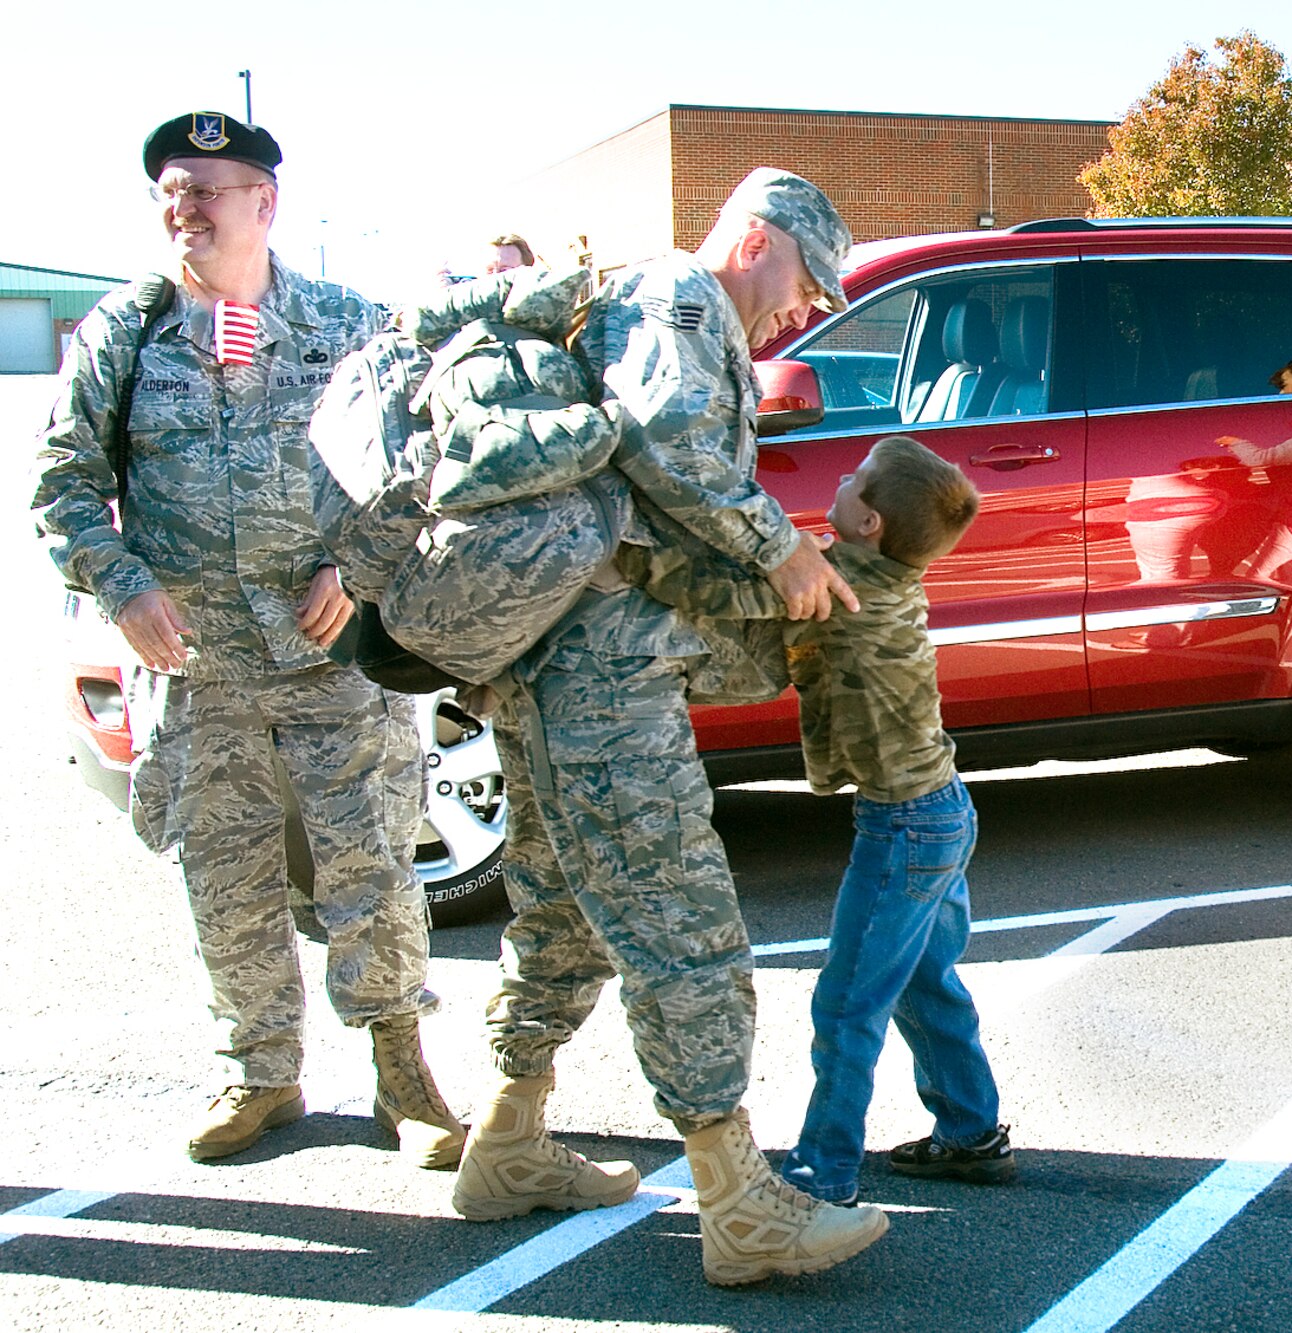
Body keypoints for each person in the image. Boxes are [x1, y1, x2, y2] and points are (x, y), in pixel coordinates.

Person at [447, 168, 890, 1287]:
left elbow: (645, 486)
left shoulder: (650, 303)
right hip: (601, 677)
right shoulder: (679, 298)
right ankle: (738, 1204)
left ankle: (504, 1139)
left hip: (561, 665)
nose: (810, 308)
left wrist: (763, 546)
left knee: (562, 910)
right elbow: (665, 438)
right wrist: (773, 545)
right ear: (755, 241)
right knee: (680, 919)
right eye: (807, 279)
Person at [31, 111, 460, 1167]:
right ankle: (259, 1073)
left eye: (206, 189)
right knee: (224, 878)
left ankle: (403, 1076)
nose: (184, 207)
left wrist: (357, 565)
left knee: (368, 865)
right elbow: (63, 486)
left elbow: (428, 463)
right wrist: (122, 583)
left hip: (332, 656)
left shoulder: (348, 324)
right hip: (198, 667)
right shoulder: (121, 338)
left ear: (263, 203)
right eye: (169, 192)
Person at [770, 436, 1013, 1207]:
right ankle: (971, 1131)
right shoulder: (885, 572)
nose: (838, 477)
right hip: (941, 809)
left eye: (854, 478)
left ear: (868, 521)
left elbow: (751, 588)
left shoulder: (842, 588)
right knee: (921, 978)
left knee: (847, 1002)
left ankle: (821, 1171)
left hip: (905, 824)